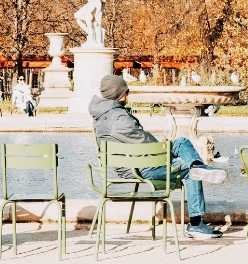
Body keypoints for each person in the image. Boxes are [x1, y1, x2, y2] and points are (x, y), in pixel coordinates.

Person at [90, 74, 226, 239]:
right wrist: (162, 147)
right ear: (119, 94)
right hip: (141, 168)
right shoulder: (119, 118)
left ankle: (199, 167)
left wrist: (164, 145)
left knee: (181, 142)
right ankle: (196, 224)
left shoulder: (100, 116)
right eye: (126, 91)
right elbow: (146, 144)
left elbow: (139, 142)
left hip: (129, 164)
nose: (128, 95)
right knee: (191, 170)